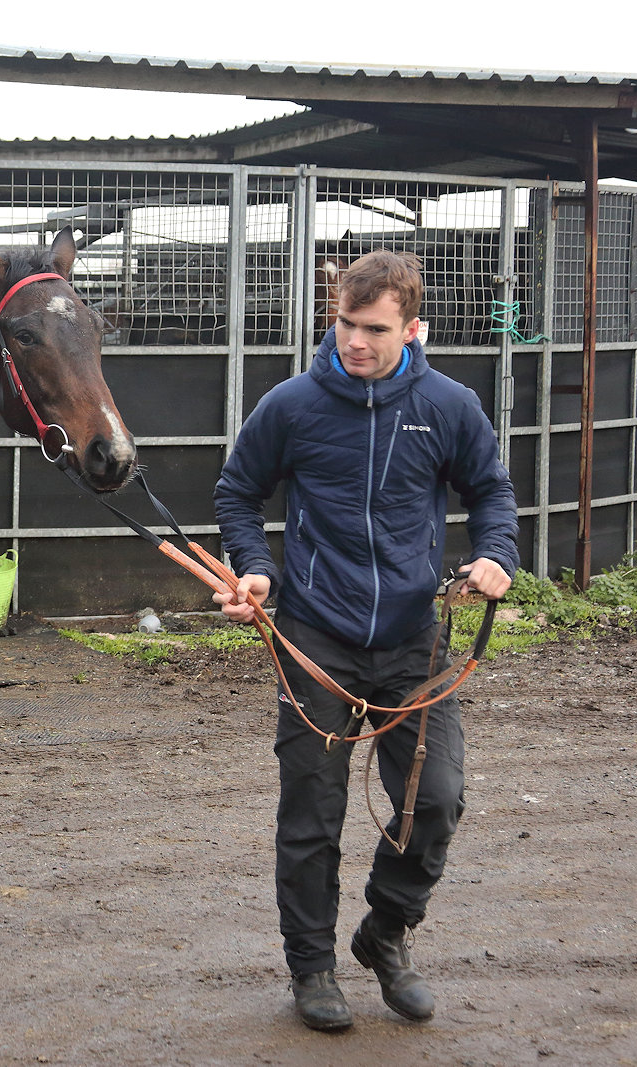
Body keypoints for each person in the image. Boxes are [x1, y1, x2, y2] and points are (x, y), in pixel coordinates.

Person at [211, 249, 517, 1031]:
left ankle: (385, 931)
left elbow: (490, 490)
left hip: (414, 640)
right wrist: (256, 570)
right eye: (346, 322)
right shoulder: (293, 404)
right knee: (312, 812)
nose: (354, 340)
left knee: (435, 799)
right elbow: (239, 491)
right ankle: (312, 966)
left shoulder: (449, 406)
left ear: (413, 329)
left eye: (375, 329)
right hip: (316, 636)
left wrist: (495, 555)